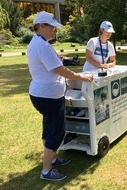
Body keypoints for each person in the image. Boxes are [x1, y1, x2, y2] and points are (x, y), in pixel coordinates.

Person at [27, 11, 94, 181]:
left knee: (49, 127)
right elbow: (60, 70)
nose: (55, 31)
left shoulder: (38, 43)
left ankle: (52, 158)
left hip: (41, 94)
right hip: (48, 96)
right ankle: (47, 171)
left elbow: (54, 66)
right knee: (56, 132)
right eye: (53, 28)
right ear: (41, 26)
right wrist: (82, 77)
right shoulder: (42, 46)